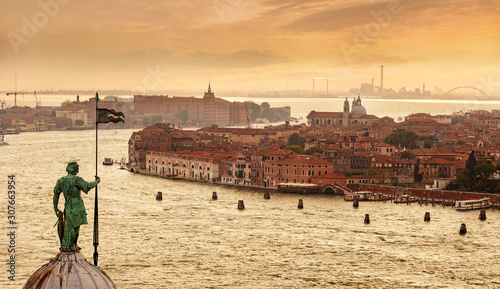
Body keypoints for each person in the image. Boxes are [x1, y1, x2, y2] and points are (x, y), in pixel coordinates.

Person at [53, 162, 100, 251]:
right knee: (75, 228)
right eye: (77, 168)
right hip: (78, 206)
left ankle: (73, 244)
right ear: (74, 169)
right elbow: (87, 186)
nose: (78, 170)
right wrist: (97, 181)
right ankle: (72, 244)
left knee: (70, 226)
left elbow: (56, 195)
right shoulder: (77, 180)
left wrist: (55, 208)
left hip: (68, 207)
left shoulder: (61, 181)